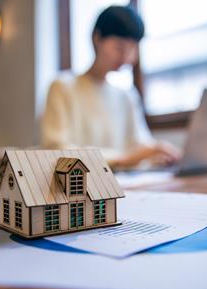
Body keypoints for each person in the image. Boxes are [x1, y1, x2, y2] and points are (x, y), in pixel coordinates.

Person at [41, 5, 180, 169]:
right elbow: (57, 150)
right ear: (97, 38)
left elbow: (139, 143)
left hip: (131, 183)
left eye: (132, 48)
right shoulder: (63, 87)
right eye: (119, 47)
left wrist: (157, 153)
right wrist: (124, 159)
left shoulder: (127, 95)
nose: (126, 56)